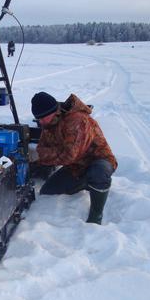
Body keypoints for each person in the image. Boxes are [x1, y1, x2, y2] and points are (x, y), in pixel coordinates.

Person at [31, 92, 117, 224]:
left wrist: (44, 155)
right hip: (77, 166)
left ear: (54, 111)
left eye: (43, 118)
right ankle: (85, 182)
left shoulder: (77, 120)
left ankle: (96, 215)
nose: (41, 122)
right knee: (47, 190)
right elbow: (42, 148)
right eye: (38, 119)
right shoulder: (49, 123)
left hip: (99, 160)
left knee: (98, 173)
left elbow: (69, 155)